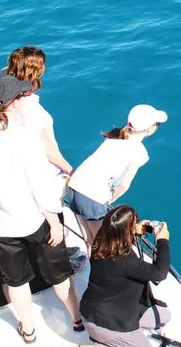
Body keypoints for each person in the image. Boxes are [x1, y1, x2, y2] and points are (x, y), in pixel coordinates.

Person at [0, 74, 83, 344]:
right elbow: (40, 185)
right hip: (35, 220)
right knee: (59, 274)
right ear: (14, 103)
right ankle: (77, 320)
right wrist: (54, 222)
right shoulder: (25, 138)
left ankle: (28, 330)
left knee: (16, 280)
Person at [66, 104, 167, 248]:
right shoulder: (139, 152)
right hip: (92, 197)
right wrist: (108, 200)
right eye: (156, 124)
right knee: (101, 245)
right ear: (150, 128)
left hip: (74, 187)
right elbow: (124, 184)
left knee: (89, 239)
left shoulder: (114, 136)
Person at [72, 205, 171, 347]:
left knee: (163, 316)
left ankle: (106, 339)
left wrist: (135, 231)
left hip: (92, 312)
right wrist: (162, 241)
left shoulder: (100, 242)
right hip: (109, 324)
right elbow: (159, 273)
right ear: (125, 231)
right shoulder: (125, 261)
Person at [5, 45, 73, 176]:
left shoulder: (2, 98)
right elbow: (48, 151)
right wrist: (71, 171)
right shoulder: (29, 108)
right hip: (39, 173)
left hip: (16, 165)